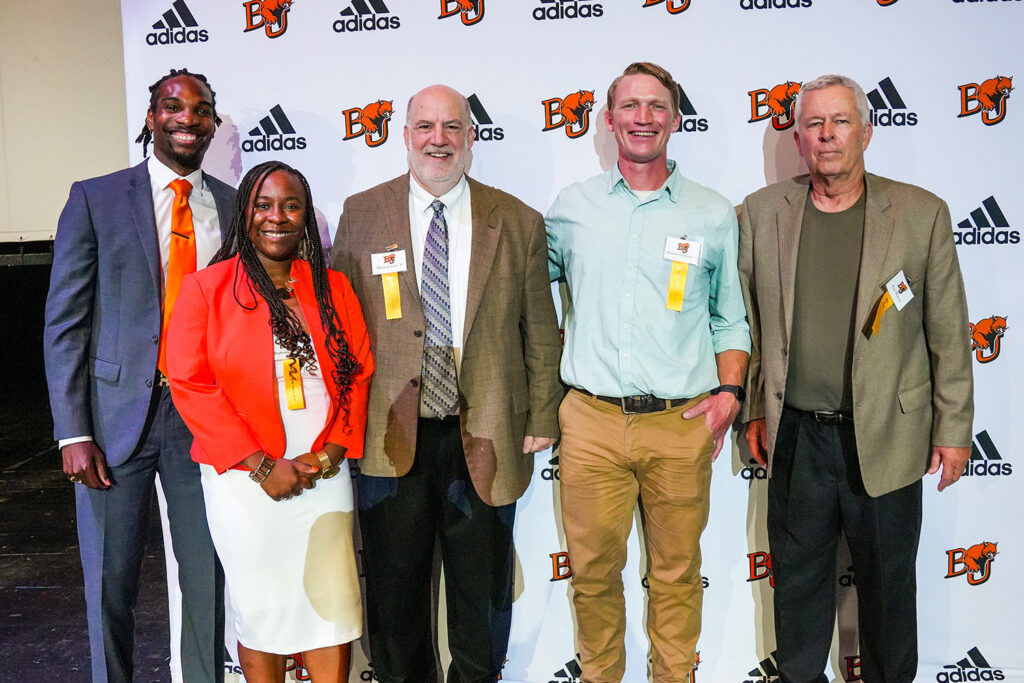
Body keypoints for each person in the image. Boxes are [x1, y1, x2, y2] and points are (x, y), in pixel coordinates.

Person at [738, 74, 974, 683]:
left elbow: (948, 334)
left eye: (840, 122)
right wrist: (754, 409)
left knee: (889, 594)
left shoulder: (921, 214)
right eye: (813, 123)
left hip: (888, 438)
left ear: (866, 132)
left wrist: (953, 429)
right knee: (798, 592)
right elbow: (749, 325)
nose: (826, 135)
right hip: (797, 441)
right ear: (798, 135)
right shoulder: (763, 214)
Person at [331, 84, 563, 683]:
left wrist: (541, 417)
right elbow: (338, 329)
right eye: (426, 127)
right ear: (404, 136)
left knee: (480, 600)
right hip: (388, 437)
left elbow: (541, 327)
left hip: (484, 433)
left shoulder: (516, 219)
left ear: (470, 138)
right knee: (395, 600)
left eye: (453, 127)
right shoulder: (361, 213)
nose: (440, 140)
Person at [546, 62, 750, 683]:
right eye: (630, 106)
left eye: (657, 106)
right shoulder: (571, 210)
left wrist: (730, 394)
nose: (643, 117)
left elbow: (730, 319)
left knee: (676, 576)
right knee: (593, 575)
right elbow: (523, 301)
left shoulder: (713, 213)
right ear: (608, 121)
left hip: (679, 423)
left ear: (675, 120)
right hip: (591, 423)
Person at [43, 68, 232, 683]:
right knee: (109, 583)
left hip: (201, 422)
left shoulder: (232, 208)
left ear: (212, 124)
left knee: (205, 575)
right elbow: (65, 323)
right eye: (173, 107)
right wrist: (73, 432)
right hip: (110, 421)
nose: (188, 118)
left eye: (201, 110)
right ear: (152, 117)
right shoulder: (95, 197)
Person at [166, 160, 373, 683]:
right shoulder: (207, 288)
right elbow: (189, 382)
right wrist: (261, 466)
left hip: (323, 475)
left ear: (306, 216)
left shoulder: (333, 288)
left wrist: (331, 453)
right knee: (263, 613)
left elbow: (357, 372)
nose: (275, 216)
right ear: (245, 213)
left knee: (332, 609)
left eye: (290, 205)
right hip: (243, 482)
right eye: (262, 204)